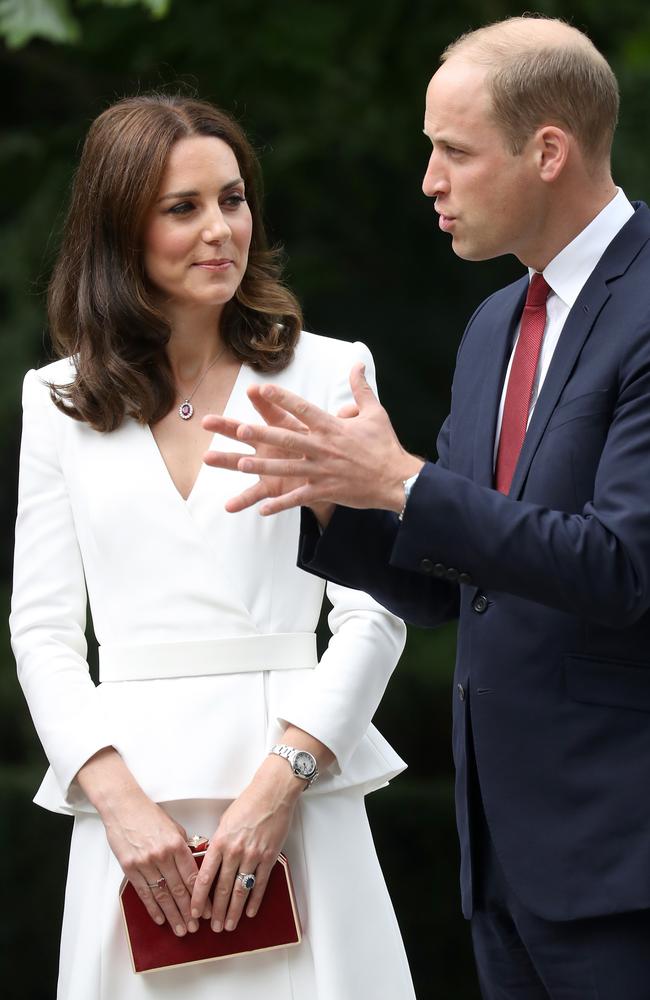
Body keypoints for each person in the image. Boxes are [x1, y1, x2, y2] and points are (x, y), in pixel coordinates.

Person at [202, 16, 650, 999]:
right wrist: (330, 500)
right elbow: (452, 586)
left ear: (545, 152)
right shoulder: (494, 321)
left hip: (623, 861)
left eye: (450, 150)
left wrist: (399, 481)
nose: (427, 181)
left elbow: (620, 568)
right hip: (500, 862)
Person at [9, 93, 417, 1000]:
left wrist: (284, 781)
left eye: (232, 200)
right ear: (119, 230)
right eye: (182, 208)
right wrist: (115, 800)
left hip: (298, 790)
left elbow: (374, 608)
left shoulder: (327, 373)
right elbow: (40, 633)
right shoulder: (56, 400)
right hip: (130, 820)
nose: (220, 230)